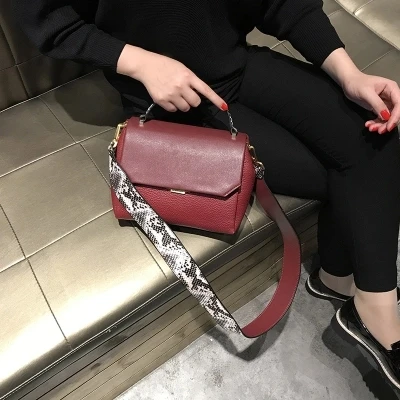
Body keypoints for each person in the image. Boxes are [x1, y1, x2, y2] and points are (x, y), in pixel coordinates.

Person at [14, 0, 400, 389]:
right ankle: (366, 304)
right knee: (347, 174)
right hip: (168, 101)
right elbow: (51, 22)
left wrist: (350, 74)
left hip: (237, 65)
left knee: (376, 137)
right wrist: (139, 63)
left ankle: (346, 285)